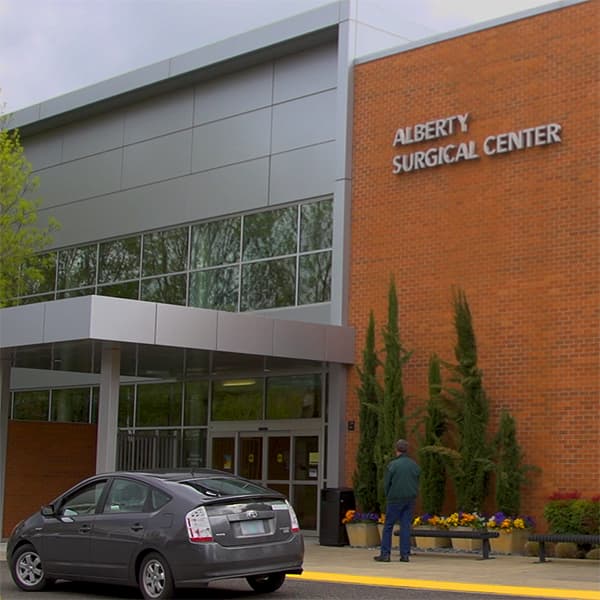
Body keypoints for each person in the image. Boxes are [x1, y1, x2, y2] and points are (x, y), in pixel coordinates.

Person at [373, 438, 421, 562]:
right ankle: (405, 555)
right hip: (410, 499)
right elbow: (417, 480)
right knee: (405, 526)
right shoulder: (414, 465)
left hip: (395, 499)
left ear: (396, 450)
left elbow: (386, 483)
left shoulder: (393, 465)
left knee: (388, 525)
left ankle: (385, 554)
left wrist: (388, 495)